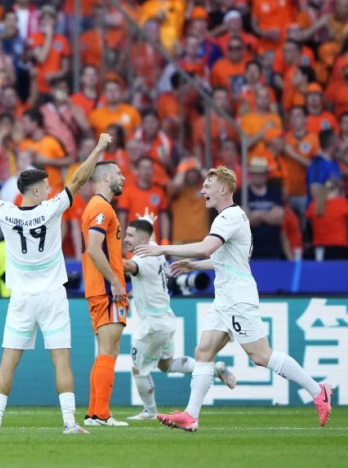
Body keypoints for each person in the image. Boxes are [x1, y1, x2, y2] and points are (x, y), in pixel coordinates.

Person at [0, 133, 112, 435]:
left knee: (7, 362)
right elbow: (80, 179)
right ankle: (70, 424)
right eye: (45, 185)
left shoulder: (6, 212)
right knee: (61, 361)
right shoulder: (52, 208)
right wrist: (98, 148)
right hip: (52, 297)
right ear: (35, 190)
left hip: (21, 298)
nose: (50, 188)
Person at [135, 166, 332, 431]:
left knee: (261, 356)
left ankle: (318, 390)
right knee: (203, 351)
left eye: (208, 185)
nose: (202, 189)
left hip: (238, 298)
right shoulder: (229, 219)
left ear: (223, 189)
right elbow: (221, 260)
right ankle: (191, 416)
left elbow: (206, 247)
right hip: (224, 298)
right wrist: (194, 266)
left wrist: (162, 248)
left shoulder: (230, 217)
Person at [123, 217, 235, 421]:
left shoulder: (143, 259)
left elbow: (128, 267)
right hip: (165, 320)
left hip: (152, 325)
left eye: (130, 235)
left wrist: (100, 253)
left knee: (138, 368)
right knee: (165, 365)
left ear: (143, 238)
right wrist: (148, 221)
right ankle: (214, 367)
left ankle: (149, 411)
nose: (125, 239)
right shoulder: (155, 249)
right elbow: (149, 240)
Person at [81, 159, 129, 427]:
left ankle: (94, 412)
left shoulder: (96, 207)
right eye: (119, 173)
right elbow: (94, 248)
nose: (123, 178)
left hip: (98, 288)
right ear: (106, 176)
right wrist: (114, 281)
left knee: (105, 350)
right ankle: (100, 414)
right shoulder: (101, 207)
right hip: (105, 289)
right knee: (109, 350)